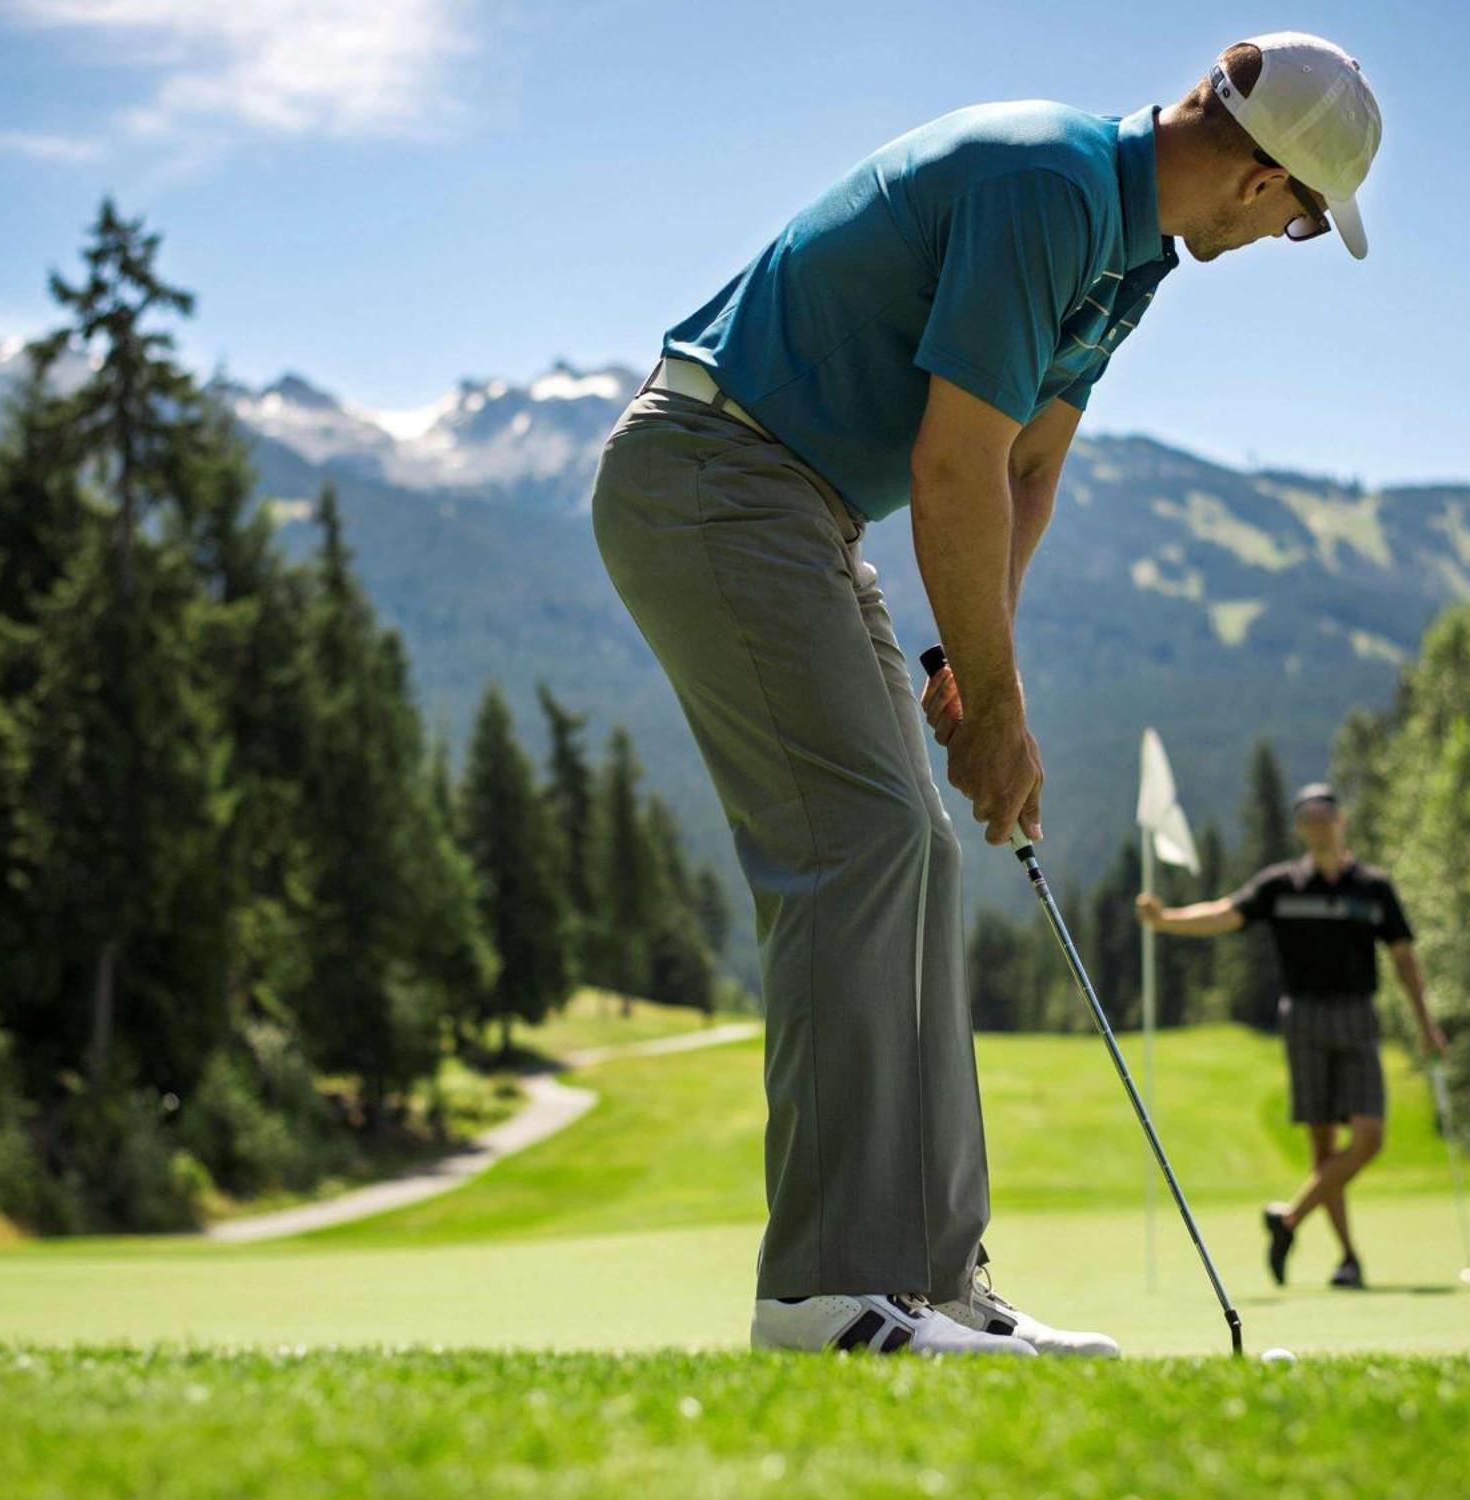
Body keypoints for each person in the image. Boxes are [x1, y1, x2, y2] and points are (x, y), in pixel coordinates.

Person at [592, 34, 1383, 1355]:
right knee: (859, 846)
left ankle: (931, 1283)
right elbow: (952, 465)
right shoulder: (1049, 186)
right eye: (1306, 220)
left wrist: (978, 668)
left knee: (917, 855)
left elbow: (1026, 470)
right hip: (712, 475)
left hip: (800, 506)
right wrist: (1002, 716)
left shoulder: (1126, 262)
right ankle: (826, 1294)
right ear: (1261, 185)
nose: (1288, 236)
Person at [1136, 783, 1445, 1289]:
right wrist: (1165, 920)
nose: (1319, 824)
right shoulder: (1281, 885)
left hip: (1357, 1017)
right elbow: (1225, 913)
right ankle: (1348, 1258)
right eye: (1309, 817)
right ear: (1300, 828)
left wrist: (1426, 1023)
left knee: (1368, 1138)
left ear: (1341, 821)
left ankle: (1288, 1219)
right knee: (1322, 1148)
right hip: (1303, 1018)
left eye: (1327, 815)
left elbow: (1404, 958)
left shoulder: (1373, 887)